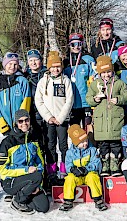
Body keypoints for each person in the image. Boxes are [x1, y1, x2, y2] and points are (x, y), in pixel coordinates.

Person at [86, 55, 127, 177]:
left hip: (115, 121)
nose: (106, 75)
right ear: (99, 73)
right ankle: (105, 165)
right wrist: (95, 99)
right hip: (101, 122)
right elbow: (88, 98)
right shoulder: (95, 84)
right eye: (103, 73)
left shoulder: (119, 83)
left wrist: (118, 99)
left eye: (108, 72)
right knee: (103, 146)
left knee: (116, 145)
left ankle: (115, 165)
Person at [0, 109, 49, 214]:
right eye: (20, 121)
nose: (24, 123)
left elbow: (40, 163)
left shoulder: (33, 139)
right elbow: (3, 170)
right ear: (16, 123)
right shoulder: (8, 142)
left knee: (44, 207)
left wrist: (38, 186)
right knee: (36, 176)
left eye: (26, 120)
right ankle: (17, 201)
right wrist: (26, 170)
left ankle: (24, 194)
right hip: (10, 181)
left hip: (31, 180)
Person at [35, 51, 74, 179]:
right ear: (49, 68)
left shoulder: (66, 81)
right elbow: (38, 101)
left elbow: (69, 100)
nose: (55, 69)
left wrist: (60, 118)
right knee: (50, 145)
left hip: (61, 120)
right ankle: (51, 170)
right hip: (49, 120)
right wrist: (48, 117)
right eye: (53, 66)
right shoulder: (43, 81)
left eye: (58, 66)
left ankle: (64, 169)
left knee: (63, 145)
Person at [59, 124, 108, 211]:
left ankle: (98, 199)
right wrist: (73, 169)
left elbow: (96, 163)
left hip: (88, 173)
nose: (85, 143)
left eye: (85, 140)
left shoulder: (92, 150)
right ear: (75, 143)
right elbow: (68, 165)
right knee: (69, 178)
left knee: (93, 177)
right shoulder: (70, 152)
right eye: (81, 142)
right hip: (77, 175)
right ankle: (68, 200)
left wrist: (86, 169)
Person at [0, 52, 31, 136]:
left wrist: (20, 123)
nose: (12, 67)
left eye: (15, 64)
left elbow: (26, 102)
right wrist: (2, 125)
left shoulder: (22, 81)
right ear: (5, 64)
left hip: (19, 127)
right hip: (3, 128)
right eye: (10, 63)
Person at [63, 33, 95, 131]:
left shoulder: (88, 59)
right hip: (72, 103)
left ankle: (91, 147)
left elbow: (93, 80)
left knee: (89, 130)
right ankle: (75, 147)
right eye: (73, 44)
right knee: (75, 131)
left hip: (86, 103)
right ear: (69, 46)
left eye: (79, 44)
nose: (76, 47)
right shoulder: (65, 62)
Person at [24, 49, 47, 144]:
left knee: (48, 142)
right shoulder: (24, 77)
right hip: (32, 113)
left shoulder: (47, 74)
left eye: (36, 60)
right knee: (35, 142)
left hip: (47, 112)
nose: (33, 63)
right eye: (31, 60)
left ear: (40, 61)